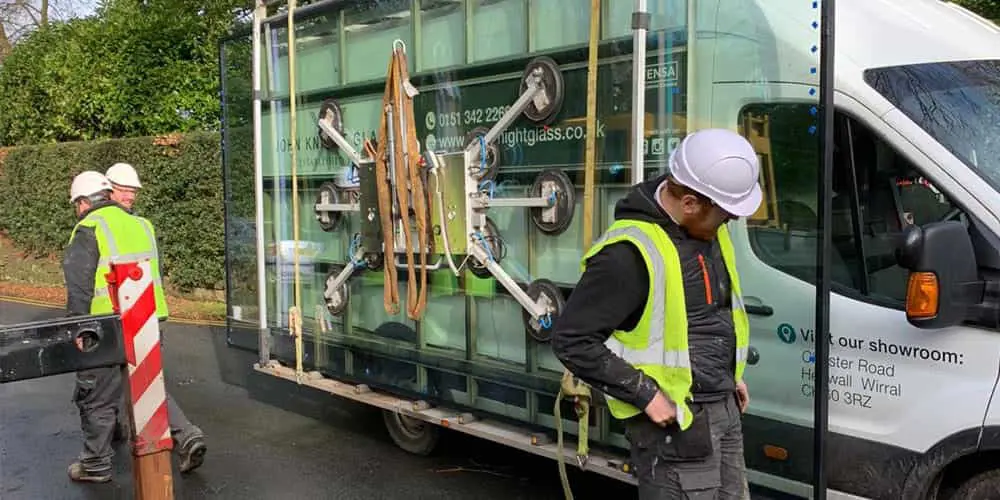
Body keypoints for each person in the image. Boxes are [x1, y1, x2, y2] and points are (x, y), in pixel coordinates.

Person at [551, 128, 762, 499]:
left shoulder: (705, 229)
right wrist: (645, 394)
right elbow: (572, 340)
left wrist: (730, 373)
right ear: (692, 203)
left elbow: (709, 313)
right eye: (726, 215)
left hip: (723, 407)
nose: (729, 222)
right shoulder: (627, 255)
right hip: (677, 422)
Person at [64, 171, 204, 483]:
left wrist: (77, 328)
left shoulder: (88, 227)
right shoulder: (142, 225)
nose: (77, 209)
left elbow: (80, 288)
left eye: (77, 204)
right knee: (146, 389)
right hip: (148, 320)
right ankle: (188, 436)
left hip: (106, 326)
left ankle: (95, 464)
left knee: (95, 395)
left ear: (85, 202)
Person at [104, 162, 208, 475]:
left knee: (134, 383)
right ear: (110, 189)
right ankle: (127, 431)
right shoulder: (144, 225)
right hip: (150, 314)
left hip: (121, 316)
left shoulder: (101, 224)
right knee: (143, 381)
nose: (130, 197)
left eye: (132, 192)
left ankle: (184, 434)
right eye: (125, 191)